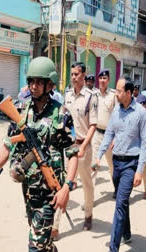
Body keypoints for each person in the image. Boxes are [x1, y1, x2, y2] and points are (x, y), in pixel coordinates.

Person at [0, 57, 78, 252]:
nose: (33, 86)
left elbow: (74, 154)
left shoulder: (62, 114)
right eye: (31, 81)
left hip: (51, 192)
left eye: (39, 82)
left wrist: (67, 187)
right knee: (44, 243)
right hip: (29, 189)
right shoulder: (21, 111)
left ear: (50, 84)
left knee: (35, 246)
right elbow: (7, 147)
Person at [95, 77, 146, 252]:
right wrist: (98, 156)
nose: (115, 93)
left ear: (128, 92)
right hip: (116, 163)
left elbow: (145, 144)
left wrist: (139, 170)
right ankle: (127, 232)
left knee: (119, 204)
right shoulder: (116, 111)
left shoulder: (140, 113)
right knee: (122, 201)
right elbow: (109, 134)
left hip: (131, 164)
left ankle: (113, 248)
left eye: (118, 91)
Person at [58, 62, 98, 234]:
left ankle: (88, 215)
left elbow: (93, 125)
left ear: (84, 75)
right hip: (68, 145)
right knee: (63, 184)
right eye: (72, 74)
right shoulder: (67, 95)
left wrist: (83, 147)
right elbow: (62, 118)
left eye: (76, 74)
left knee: (86, 183)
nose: (73, 77)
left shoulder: (90, 96)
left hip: (83, 146)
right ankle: (55, 224)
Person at [91, 69, 116, 192]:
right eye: (100, 78)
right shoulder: (93, 95)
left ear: (108, 80)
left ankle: (117, 190)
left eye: (104, 78)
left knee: (112, 165)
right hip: (96, 134)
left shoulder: (113, 95)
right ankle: (89, 197)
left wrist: (116, 138)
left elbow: (118, 117)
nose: (102, 80)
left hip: (109, 136)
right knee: (94, 165)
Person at [136, 94, 146, 199]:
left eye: (143, 104)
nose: (141, 106)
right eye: (139, 104)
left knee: (145, 170)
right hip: (134, 146)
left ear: (145, 105)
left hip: (144, 146)